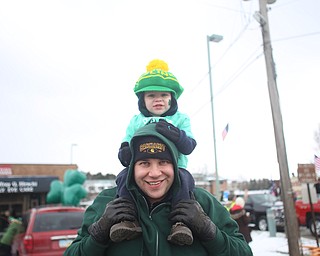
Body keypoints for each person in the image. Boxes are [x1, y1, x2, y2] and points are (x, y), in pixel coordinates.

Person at [64, 123, 253, 256]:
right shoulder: (107, 202)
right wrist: (99, 233)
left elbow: (244, 252)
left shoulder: (202, 201)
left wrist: (209, 231)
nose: (154, 173)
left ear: (175, 166)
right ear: (132, 168)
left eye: (163, 162)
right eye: (144, 163)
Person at [114, 59, 197, 245]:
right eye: (151, 95)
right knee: (122, 178)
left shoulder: (181, 119)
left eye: (163, 94)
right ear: (142, 100)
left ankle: (181, 223)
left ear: (172, 98)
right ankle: (127, 219)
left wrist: (177, 135)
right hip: (139, 170)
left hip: (176, 169)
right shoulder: (135, 121)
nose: (158, 99)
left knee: (185, 180)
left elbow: (189, 146)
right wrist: (125, 152)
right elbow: (125, 142)